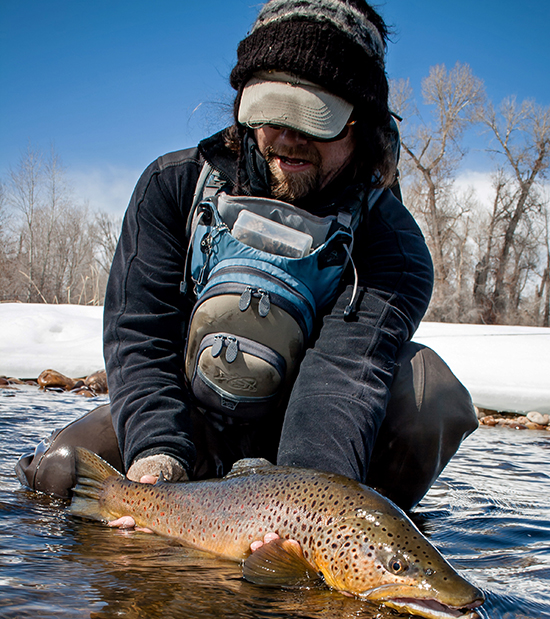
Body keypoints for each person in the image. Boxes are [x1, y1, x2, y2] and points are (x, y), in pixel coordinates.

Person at [16, 0, 477, 513]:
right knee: (60, 474)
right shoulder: (172, 189)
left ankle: (361, 549)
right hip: (187, 412)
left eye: (315, 119)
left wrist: (303, 513)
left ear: (360, 124)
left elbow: (342, 379)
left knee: (430, 395)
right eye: (274, 113)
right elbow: (140, 338)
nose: (289, 138)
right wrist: (156, 456)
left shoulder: (390, 242)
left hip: (308, 433)